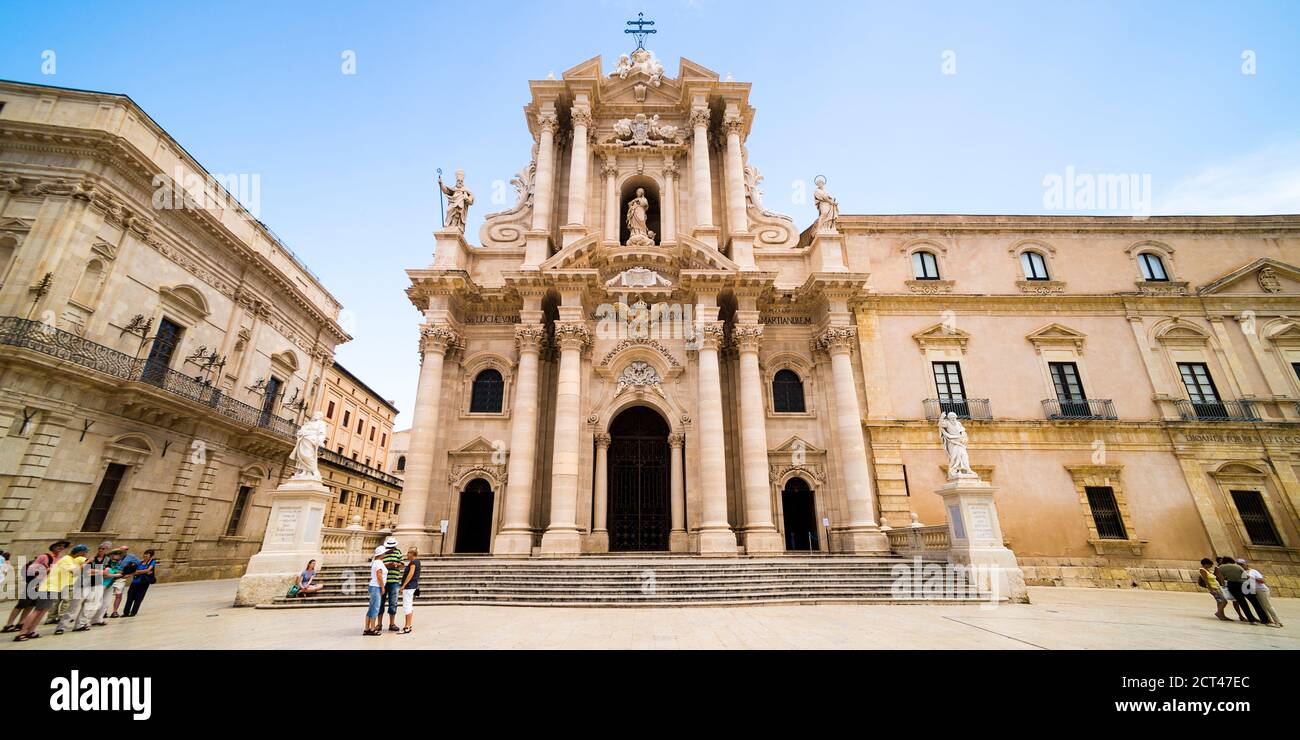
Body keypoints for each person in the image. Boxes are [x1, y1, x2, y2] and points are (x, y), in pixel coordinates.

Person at [15, 543, 85, 641]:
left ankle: (31, 631)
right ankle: (21, 633)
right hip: (49, 588)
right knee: (37, 611)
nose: (84, 556)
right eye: (84, 553)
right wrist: (82, 565)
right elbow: (75, 571)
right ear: (80, 552)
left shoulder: (71, 561)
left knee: (42, 611)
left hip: (55, 589)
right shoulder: (66, 559)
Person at [4, 540, 68, 635]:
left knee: (31, 605)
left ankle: (21, 623)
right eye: (58, 545)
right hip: (35, 582)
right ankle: (9, 625)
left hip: (45, 584)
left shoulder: (59, 559)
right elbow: (31, 569)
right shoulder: (44, 556)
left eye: (63, 546)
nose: (61, 547)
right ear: (53, 546)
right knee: (22, 604)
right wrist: (45, 570)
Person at [57, 541, 111, 633]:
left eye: (103, 549)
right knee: (73, 606)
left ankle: (80, 624)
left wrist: (103, 572)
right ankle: (61, 627)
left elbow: (108, 571)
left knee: (88, 605)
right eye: (99, 548)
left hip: (96, 584)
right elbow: (87, 571)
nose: (101, 550)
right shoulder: (88, 559)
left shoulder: (108, 560)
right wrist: (101, 571)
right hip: (83, 584)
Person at [1217, 556, 1269, 625]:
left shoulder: (1220, 568)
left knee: (1242, 603)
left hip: (1232, 585)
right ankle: (1264, 619)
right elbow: (1246, 577)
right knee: (1254, 602)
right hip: (1244, 584)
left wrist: (1225, 584)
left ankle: (1252, 620)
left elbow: (1222, 579)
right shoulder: (1237, 566)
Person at [1239, 559, 1283, 628]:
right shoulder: (1242, 573)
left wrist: (1251, 578)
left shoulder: (1253, 571)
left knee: (1268, 606)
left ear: (1246, 565)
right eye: (1239, 564)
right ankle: (1269, 620)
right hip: (1254, 591)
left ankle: (1277, 622)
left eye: (1242, 564)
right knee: (1262, 607)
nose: (1241, 566)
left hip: (1261, 590)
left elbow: (1262, 581)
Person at [122, 549, 158, 617]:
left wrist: (138, 572)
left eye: (147, 555)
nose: (145, 555)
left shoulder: (152, 562)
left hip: (143, 583)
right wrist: (139, 571)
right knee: (130, 597)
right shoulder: (139, 562)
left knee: (138, 598)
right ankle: (126, 612)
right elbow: (135, 571)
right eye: (145, 554)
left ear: (151, 556)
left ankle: (133, 612)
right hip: (135, 582)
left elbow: (148, 570)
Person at [108, 547, 141, 617]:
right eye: (122, 549)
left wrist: (130, 574)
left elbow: (139, 564)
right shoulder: (114, 556)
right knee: (107, 595)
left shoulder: (131, 557)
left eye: (126, 549)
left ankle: (115, 612)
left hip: (121, 578)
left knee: (118, 595)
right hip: (110, 577)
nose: (124, 551)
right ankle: (104, 612)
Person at [380, 537, 404, 632]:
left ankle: (392, 623)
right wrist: (386, 565)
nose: (390, 549)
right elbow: (377, 564)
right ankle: (379, 624)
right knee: (380, 603)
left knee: (393, 603)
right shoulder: (382, 553)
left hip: (394, 581)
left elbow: (402, 564)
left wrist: (396, 565)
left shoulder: (398, 552)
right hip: (383, 581)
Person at [363, 545, 387, 636]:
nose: (384, 554)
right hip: (376, 587)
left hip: (373, 586)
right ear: (381, 554)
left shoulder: (375, 562)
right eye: (384, 553)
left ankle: (366, 628)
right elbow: (379, 575)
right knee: (375, 608)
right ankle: (372, 628)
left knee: (371, 608)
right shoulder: (379, 563)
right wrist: (382, 587)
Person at [399, 547, 421, 635]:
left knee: (407, 606)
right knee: (409, 605)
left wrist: (403, 585)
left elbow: (410, 574)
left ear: (412, 554)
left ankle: (406, 626)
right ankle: (409, 624)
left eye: (408, 553)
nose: (407, 555)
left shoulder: (413, 563)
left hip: (409, 586)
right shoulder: (417, 562)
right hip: (413, 586)